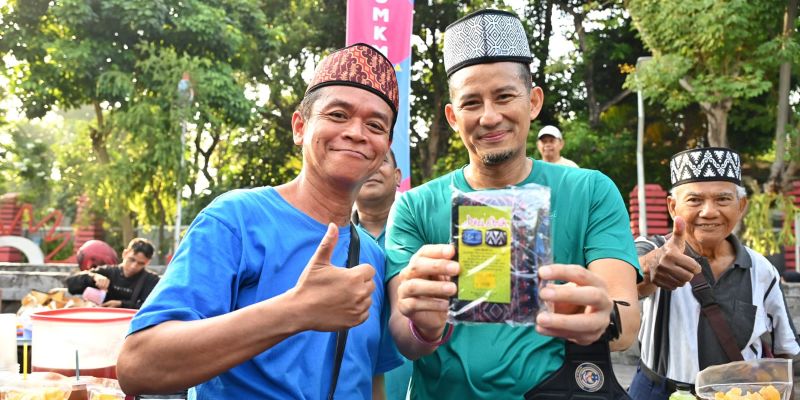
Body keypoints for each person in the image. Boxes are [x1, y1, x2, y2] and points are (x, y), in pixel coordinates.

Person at [116, 43, 402, 398]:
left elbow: (371, 379)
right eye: (338, 115)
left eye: (375, 124)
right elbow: (138, 365)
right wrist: (296, 310)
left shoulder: (373, 257)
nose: (357, 132)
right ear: (300, 127)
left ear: (385, 146)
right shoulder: (236, 220)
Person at [384, 9, 641, 399]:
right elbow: (405, 338)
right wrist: (424, 325)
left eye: (504, 96)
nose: (489, 117)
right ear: (452, 116)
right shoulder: (414, 207)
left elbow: (626, 317)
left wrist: (602, 318)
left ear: (533, 101)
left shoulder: (590, 191)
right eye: (471, 103)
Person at [629, 147, 800, 400]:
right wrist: (650, 267)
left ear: (741, 206)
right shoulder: (655, 249)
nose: (709, 211)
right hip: (660, 392)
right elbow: (627, 272)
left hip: (738, 395)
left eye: (722, 199)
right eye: (695, 200)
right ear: (673, 207)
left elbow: (786, 350)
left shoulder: (762, 269)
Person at [353, 149, 412, 399]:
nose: (372, 167)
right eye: (364, 160)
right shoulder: (331, 240)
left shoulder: (422, 238)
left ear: (397, 176)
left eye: (382, 161)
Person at [66, 238, 158, 309]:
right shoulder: (107, 272)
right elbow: (70, 285)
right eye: (132, 260)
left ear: (148, 262)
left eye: (140, 263)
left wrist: (121, 304)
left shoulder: (151, 281)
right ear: (125, 254)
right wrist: (93, 277)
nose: (134, 266)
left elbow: (153, 307)